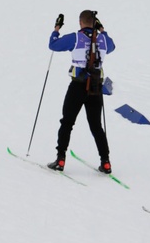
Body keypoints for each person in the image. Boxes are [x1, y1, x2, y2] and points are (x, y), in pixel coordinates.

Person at [47, 11, 115, 173]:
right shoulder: (103, 39)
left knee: (67, 122)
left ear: (80, 22)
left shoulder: (75, 37)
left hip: (78, 85)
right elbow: (112, 46)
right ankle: (105, 162)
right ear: (94, 23)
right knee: (96, 126)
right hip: (96, 87)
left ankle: (60, 159)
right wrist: (102, 30)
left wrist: (56, 28)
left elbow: (53, 45)